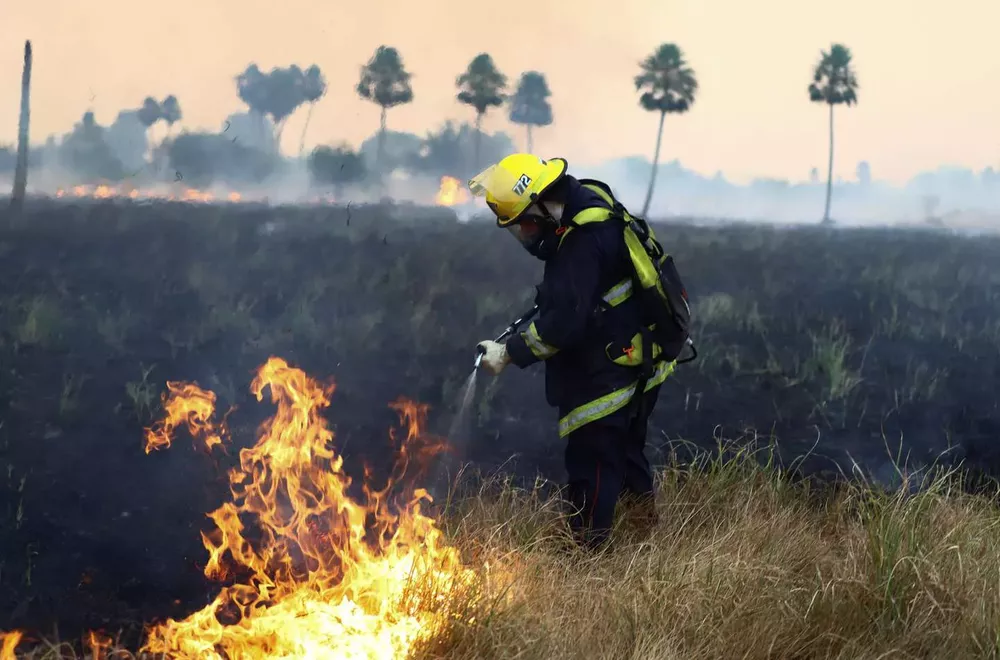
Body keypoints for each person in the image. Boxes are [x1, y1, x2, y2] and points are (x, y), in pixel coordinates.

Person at [468, 153, 690, 549]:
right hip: (642, 356)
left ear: (540, 204)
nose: (525, 235)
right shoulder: (584, 201)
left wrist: (509, 353)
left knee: (593, 461)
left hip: (615, 366)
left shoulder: (582, 241)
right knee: (626, 452)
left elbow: (564, 325)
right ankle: (643, 542)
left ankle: (587, 555)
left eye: (524, 224)